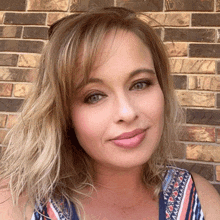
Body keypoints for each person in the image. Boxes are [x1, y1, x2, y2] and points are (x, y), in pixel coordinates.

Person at [0, 7, 220, 220]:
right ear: (63, 114)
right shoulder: (16, 204)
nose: (127, 112)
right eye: (94, 96)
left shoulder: (198, 198)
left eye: (140, 84)